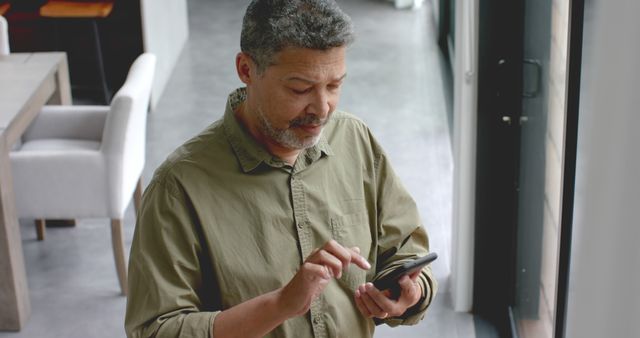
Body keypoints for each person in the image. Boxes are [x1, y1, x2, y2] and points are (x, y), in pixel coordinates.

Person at [124, 0, 437, 337]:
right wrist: (280, 305)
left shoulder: (355, 139)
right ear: (246, 70)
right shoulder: (179, 186)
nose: (322, 109)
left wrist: (410, 295)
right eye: (300, 89)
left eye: (334, 86)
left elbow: (406, 248)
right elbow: (155, 330)